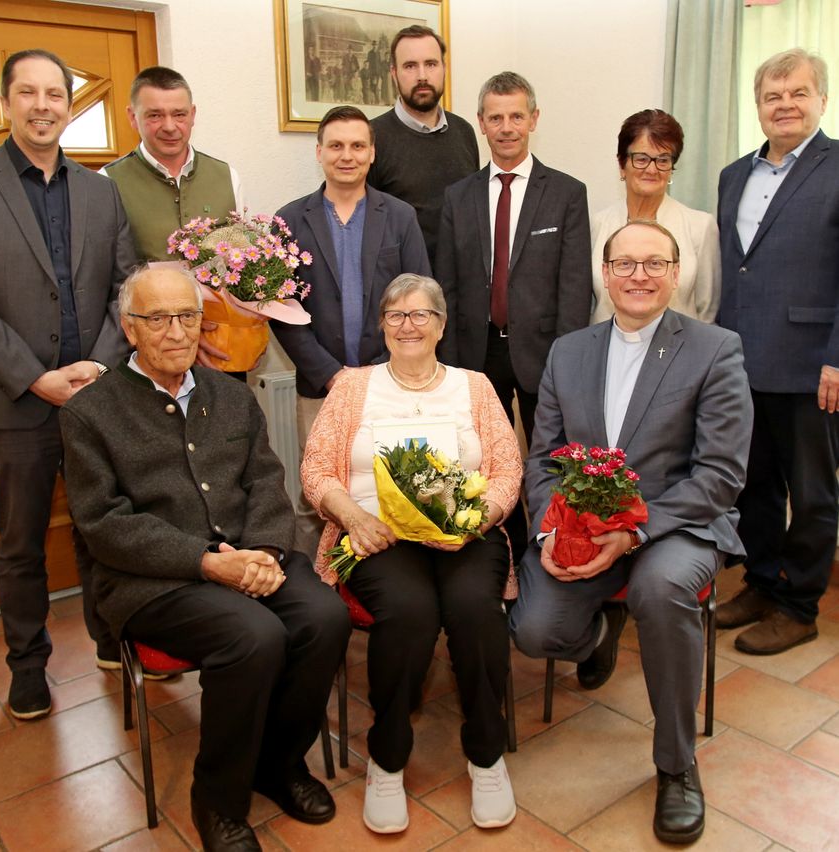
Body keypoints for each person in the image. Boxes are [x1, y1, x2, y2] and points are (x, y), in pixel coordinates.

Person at [59, 265, 350, 852]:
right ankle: (217, 798)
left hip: (247, 553)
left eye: (187, 316)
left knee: (325, 617)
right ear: (129, 329)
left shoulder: (232, 396)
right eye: (158, 318)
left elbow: (268, 482)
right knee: (253, 637)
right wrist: (205, 561)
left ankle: (279, 764)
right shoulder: (90, 412)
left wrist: (266, 552)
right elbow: (104, 527)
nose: (175, 332)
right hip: (154, 581)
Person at [510, 221, 753, 844]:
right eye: (625, 264)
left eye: (654, 264)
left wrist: (636, 533)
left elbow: (721, 475)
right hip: (586, 526)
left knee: (659, 590)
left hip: (677, 521)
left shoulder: (716, 348)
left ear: (677, 273)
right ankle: (595, 631)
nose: (638, 275)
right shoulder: (570, 351)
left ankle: (676, 766)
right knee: (536, 632)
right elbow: (544, 460)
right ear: (605, 272)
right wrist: (547, 535)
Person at [302, 273, 522, 835]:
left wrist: (478, 520)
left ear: (441, 326)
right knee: (410, 614)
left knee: (475, 610)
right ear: (382, 324)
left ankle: (486, 753)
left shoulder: (475, 386)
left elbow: (507, 469)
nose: (408, 325)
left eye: (421, 314)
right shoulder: (352, 386)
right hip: (377, 537)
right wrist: (354, 518)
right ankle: (388, 755)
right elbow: (316, 470)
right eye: (396, 315)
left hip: (463, 538)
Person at [0, 49, 135, 720]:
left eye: (55, 93)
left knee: (100, 528)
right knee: (20, 545)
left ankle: (111, 636)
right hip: (14, 404)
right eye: (29, 93)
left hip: (96, 398)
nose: (44, 105)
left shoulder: (101, 190)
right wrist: (36, 377)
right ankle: (27, 666)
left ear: (69, 105)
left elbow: (126, 289)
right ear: (5, 100)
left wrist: (99, 368)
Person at [436, 71, 592, 559]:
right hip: (477, 353)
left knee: (550, 460)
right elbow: (449, 286)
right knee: (484, 465)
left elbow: (574, 288)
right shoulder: (457, 197)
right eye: (496, 117)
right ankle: (505, 560)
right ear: (481, 123)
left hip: (544, 353)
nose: (506, 127)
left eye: (516, 116)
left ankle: (558, 550)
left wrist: (567, 360)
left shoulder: (566, 193)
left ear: (534, 120)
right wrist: (452, 364)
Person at [716, 48, 839, 655]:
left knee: (813, 493)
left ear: (822, 100)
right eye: (772, 95)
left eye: (798, 93)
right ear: (758, 106)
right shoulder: (733, 175)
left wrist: (838, 358)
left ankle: (799, 605)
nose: (784, 104)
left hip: (814, 364)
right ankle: (762, 583)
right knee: (752, 485)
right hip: (742, 361)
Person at [273, 105, 430, 559]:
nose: (347, 155)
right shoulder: (289, 221)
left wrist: (383, 372)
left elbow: (418, 300)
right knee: (321, 491)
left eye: (358, 145)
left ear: (372, 152)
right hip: (320, 386)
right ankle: (325, 581)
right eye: (336, 146)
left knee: (393, 484)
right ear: (319, 152)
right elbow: (282, 310)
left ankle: (392, 578)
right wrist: (330, 373)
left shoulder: (400, 217)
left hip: (392, 383)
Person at [102, 65, 245, 371]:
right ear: (132, 116)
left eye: (179, 114)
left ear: (192, 115)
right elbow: (108, 281)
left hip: (218, 354)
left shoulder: (226, 176)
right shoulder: (107, 183)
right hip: (145, 356)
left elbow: (242, 268)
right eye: (154, 115)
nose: (169, 126)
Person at [590, 109, 720, 324]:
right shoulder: (598, 225)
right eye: (641, 159)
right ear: (622, 165)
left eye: (662, 160)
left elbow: (707, 311)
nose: (652, 169)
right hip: (606, 351)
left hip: (679, 352)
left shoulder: (701, 226)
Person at [367, 25, 479, 267]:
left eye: (431, 64)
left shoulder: (465, 132)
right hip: (403, 291)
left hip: (460, 288)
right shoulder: (371, 137)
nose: (422, 76)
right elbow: (365, 228)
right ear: (394, 73)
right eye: (410, 66)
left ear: (444, 69)